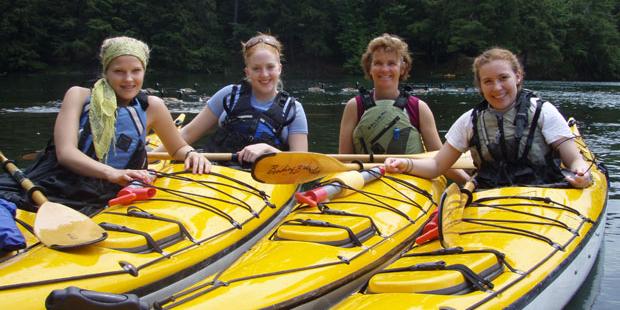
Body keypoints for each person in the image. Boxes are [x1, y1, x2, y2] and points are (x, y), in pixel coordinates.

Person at [0, 36, 210, 217]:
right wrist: (111, 173)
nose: (129, 79)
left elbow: (177, 148)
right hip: (59, 182)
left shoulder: (153, 106)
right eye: (119, 71)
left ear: (144, 71)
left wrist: (192, 153)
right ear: (106, 72)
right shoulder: (78, 96)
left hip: (110, 189)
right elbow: (66, 153)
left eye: (136, 71)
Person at [385, 47, 591, 189]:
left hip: (545, 194)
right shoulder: (469, 121)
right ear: (480, 85)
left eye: (503, 78)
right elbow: (437, 166)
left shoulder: (542, 112)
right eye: (488, 81)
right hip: (491, 201)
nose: (497, 88)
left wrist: (581, 172)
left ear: (517, 77)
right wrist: (406, 164)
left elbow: (573, 158)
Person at [338, 33, 469, 184]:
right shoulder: (354, 107)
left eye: (391, 63)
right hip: (366, 182)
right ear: (370, 68)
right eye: (378, 63)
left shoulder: (419, 108)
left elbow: (440, 160)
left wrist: (470, 182)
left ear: (402, 67)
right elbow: (345, 161)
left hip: (409, 184)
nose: (384, 69)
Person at [173, 33, 308, 164]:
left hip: (265, 181)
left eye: (270, 67)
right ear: (247, 72)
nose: (264, 74)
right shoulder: (228, 95)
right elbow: (187, 134)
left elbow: (300, 164)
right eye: (256, 69)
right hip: (215, 173)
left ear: (279, 68)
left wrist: (268, 149)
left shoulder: (294, 110)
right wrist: (154, 158)